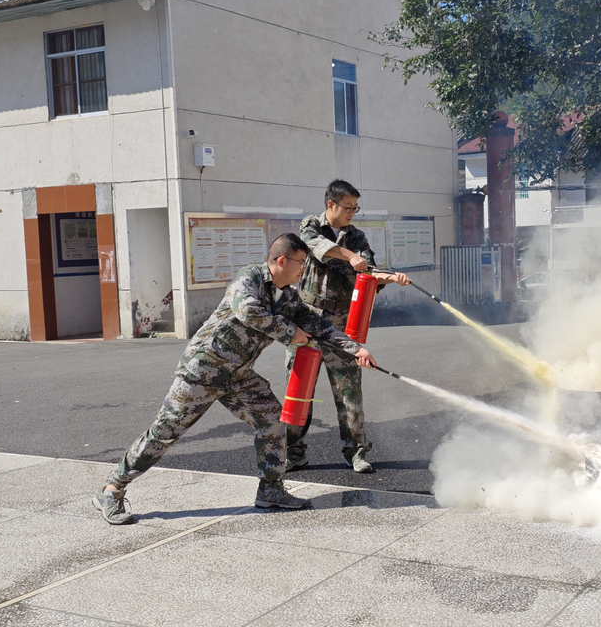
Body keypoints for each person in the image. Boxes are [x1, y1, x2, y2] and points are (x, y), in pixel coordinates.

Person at [92, 233, 376, 525]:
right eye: (301, 263)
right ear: (281, 260)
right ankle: (112, 489)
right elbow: (248, 312)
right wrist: (291, 333)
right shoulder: (249, 278)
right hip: (202, 371)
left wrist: (355, 350)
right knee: (164, 433)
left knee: (273, 420)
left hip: (238, 375)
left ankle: (271, 490)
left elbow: (316, 324)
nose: (303, 269)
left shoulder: (288, 295)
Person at [286, 179, 410, 474]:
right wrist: (350, 256)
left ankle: (355, 451)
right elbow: (320, 248)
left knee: (349, 390)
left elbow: (369, 273)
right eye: (348, 207)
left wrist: (389, 278)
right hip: (307, 318)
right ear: (331, 205)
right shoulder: (311, 225)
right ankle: (293, 452)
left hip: (342, 324)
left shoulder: (358, 238)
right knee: (300, 388)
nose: (352, 213)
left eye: (356, 208)